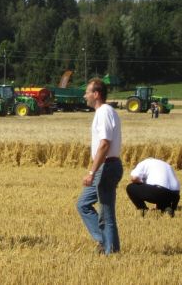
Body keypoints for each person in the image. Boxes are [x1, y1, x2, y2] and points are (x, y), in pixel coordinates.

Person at [77, 78, 123, 255]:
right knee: (83, 204)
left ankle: (110, 251)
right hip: (109, 165)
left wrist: (92, 171)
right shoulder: (106, 111)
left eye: (87, 92)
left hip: (106, 167)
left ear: (96, 94)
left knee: (106, 213)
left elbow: (104, 144)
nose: (85, 95)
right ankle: (106, 242)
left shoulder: (103, 112)